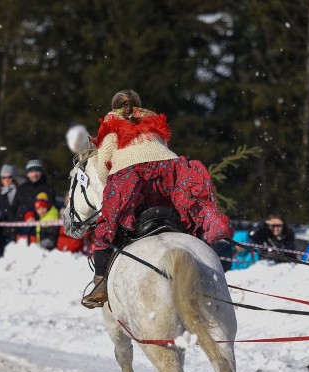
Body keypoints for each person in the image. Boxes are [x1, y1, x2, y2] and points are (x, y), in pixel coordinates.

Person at [83, 89, 232, 308]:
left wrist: (113, 186)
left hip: (130, 175)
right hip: (169, 170)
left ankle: (101, 283)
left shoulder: (111, 123)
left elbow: (104, 167)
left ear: (114, 107)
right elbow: (162, 152)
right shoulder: (152, 121)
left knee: (106, 228)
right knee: (186, 216)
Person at [0, 164, 24, 254]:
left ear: (13, 177)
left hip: (15, 229)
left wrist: (16, 222)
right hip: (2, 230)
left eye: (9, 177)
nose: (6, 179)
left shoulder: (20, 191)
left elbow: (21, 207)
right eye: (4, 177)